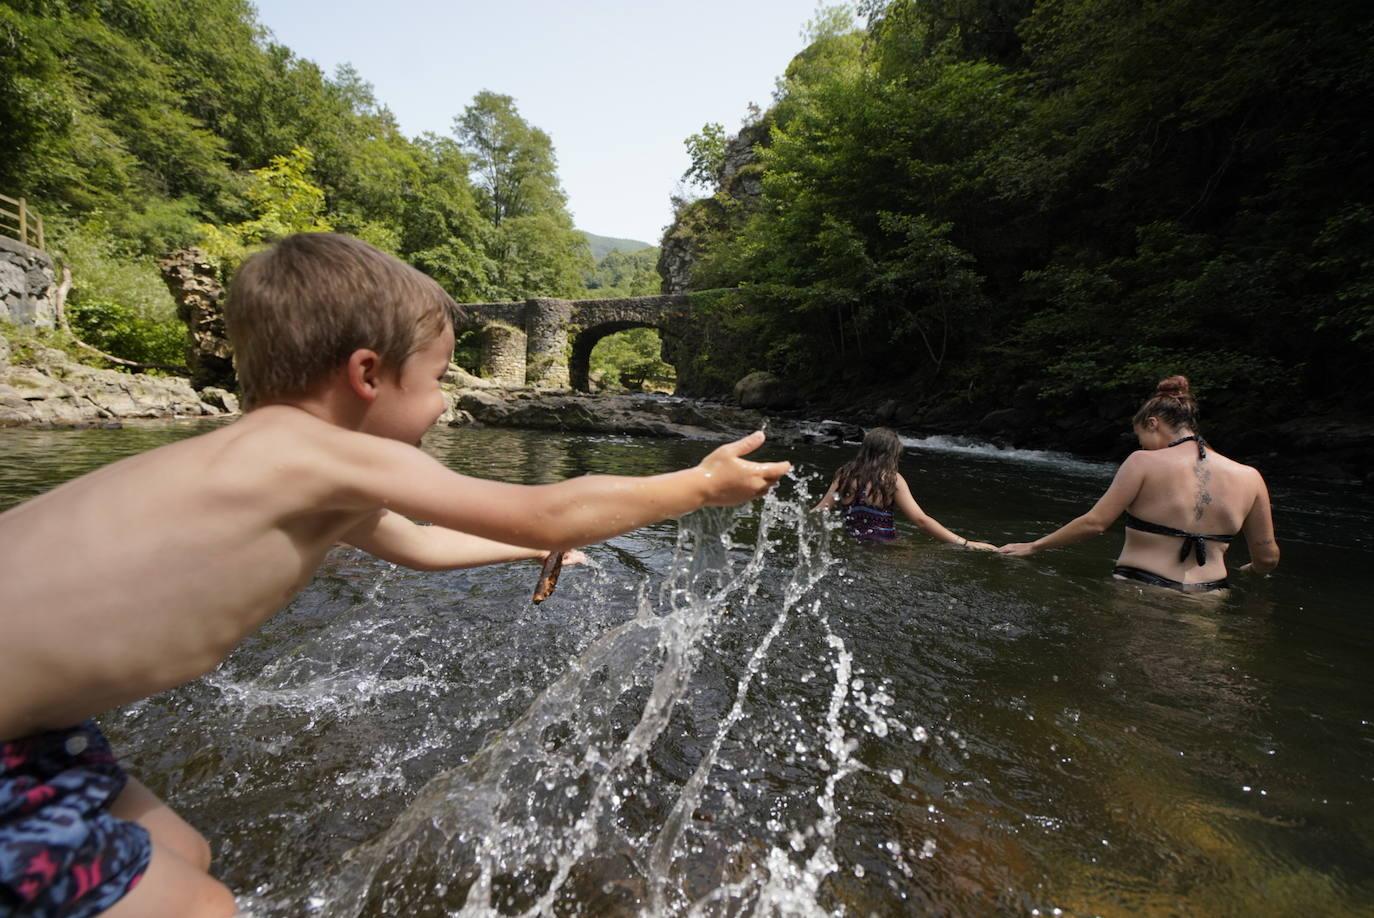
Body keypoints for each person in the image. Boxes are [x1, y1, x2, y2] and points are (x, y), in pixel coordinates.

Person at [0, 233, 791, 917]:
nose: (446, 403)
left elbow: (419, 542)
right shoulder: (316, 452)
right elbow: (550, 507)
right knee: (201, 906)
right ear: (367, 375)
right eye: (440, 378)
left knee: (181, 851)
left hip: (34, 734)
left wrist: (523, 550)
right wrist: (698, 486)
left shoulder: (293, 470)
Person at [998, 375, 1279, 591]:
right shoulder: (1250, 477)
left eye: (1140, 435)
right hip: (1210, 593)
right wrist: (1250, 571)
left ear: (1153, 423)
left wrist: (1034, 546)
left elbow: (1095, 523)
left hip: (1143, 585)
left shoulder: (1143, 462)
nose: (1142, 444)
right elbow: (1267, 558)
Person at [815, 427, 995, 549]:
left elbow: (821, 510)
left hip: (854, 544)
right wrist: (965, 543)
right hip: (885, 548)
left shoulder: (844, 474)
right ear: (890, 454)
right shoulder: (891, 479)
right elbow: (921, 520)